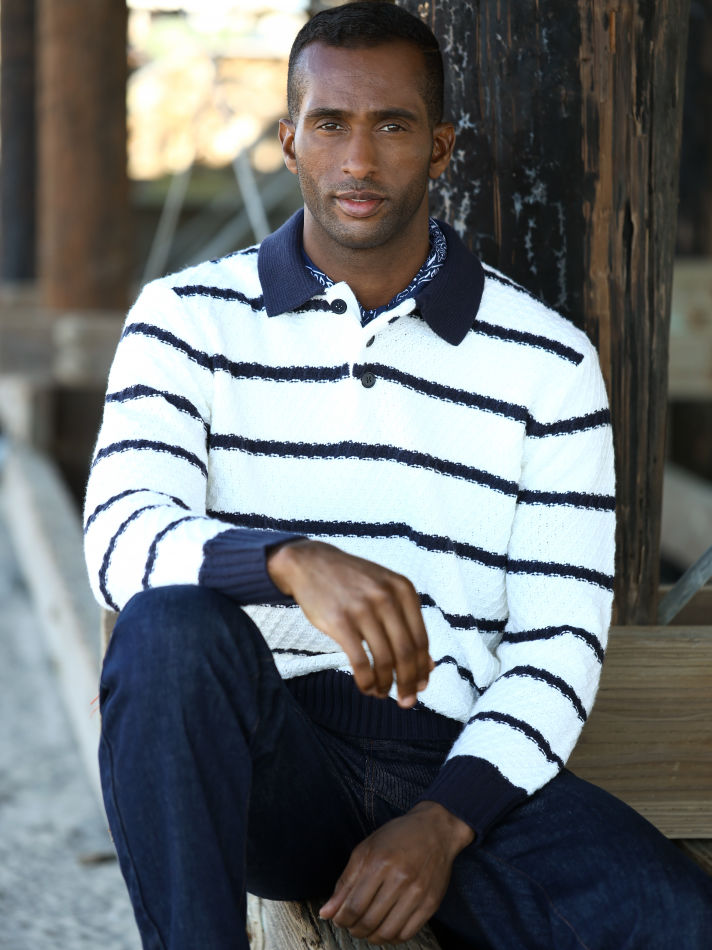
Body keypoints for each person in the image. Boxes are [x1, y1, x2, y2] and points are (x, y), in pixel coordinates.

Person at [85, 3, 712, 948]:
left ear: (441, 147)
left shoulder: (549, 363)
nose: (359, 161)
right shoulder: (185, 319)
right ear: (289, 140)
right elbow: (119, 534)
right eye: (330, 124)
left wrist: (443, 823)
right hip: (269, 757)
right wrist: (289, 560)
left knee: (678, 919)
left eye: (392, 126)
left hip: (457, 761)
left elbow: (557, 645)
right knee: (165, 632)